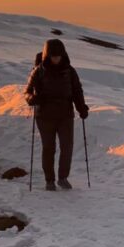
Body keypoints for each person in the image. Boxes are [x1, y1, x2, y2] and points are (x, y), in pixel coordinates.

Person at [25, 39, 89, 192]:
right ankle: (49, 180)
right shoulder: (38, 71)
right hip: (44, 116)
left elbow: (77, 91)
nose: (56, 58)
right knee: (49, 148)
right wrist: (32, 99)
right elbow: (27, 92)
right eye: (53, 56)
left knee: (67, 147)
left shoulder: (69, 71)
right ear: (47, 55)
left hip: (65, 115)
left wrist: (82, 108)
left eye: (58, 55)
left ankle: (63, 178)